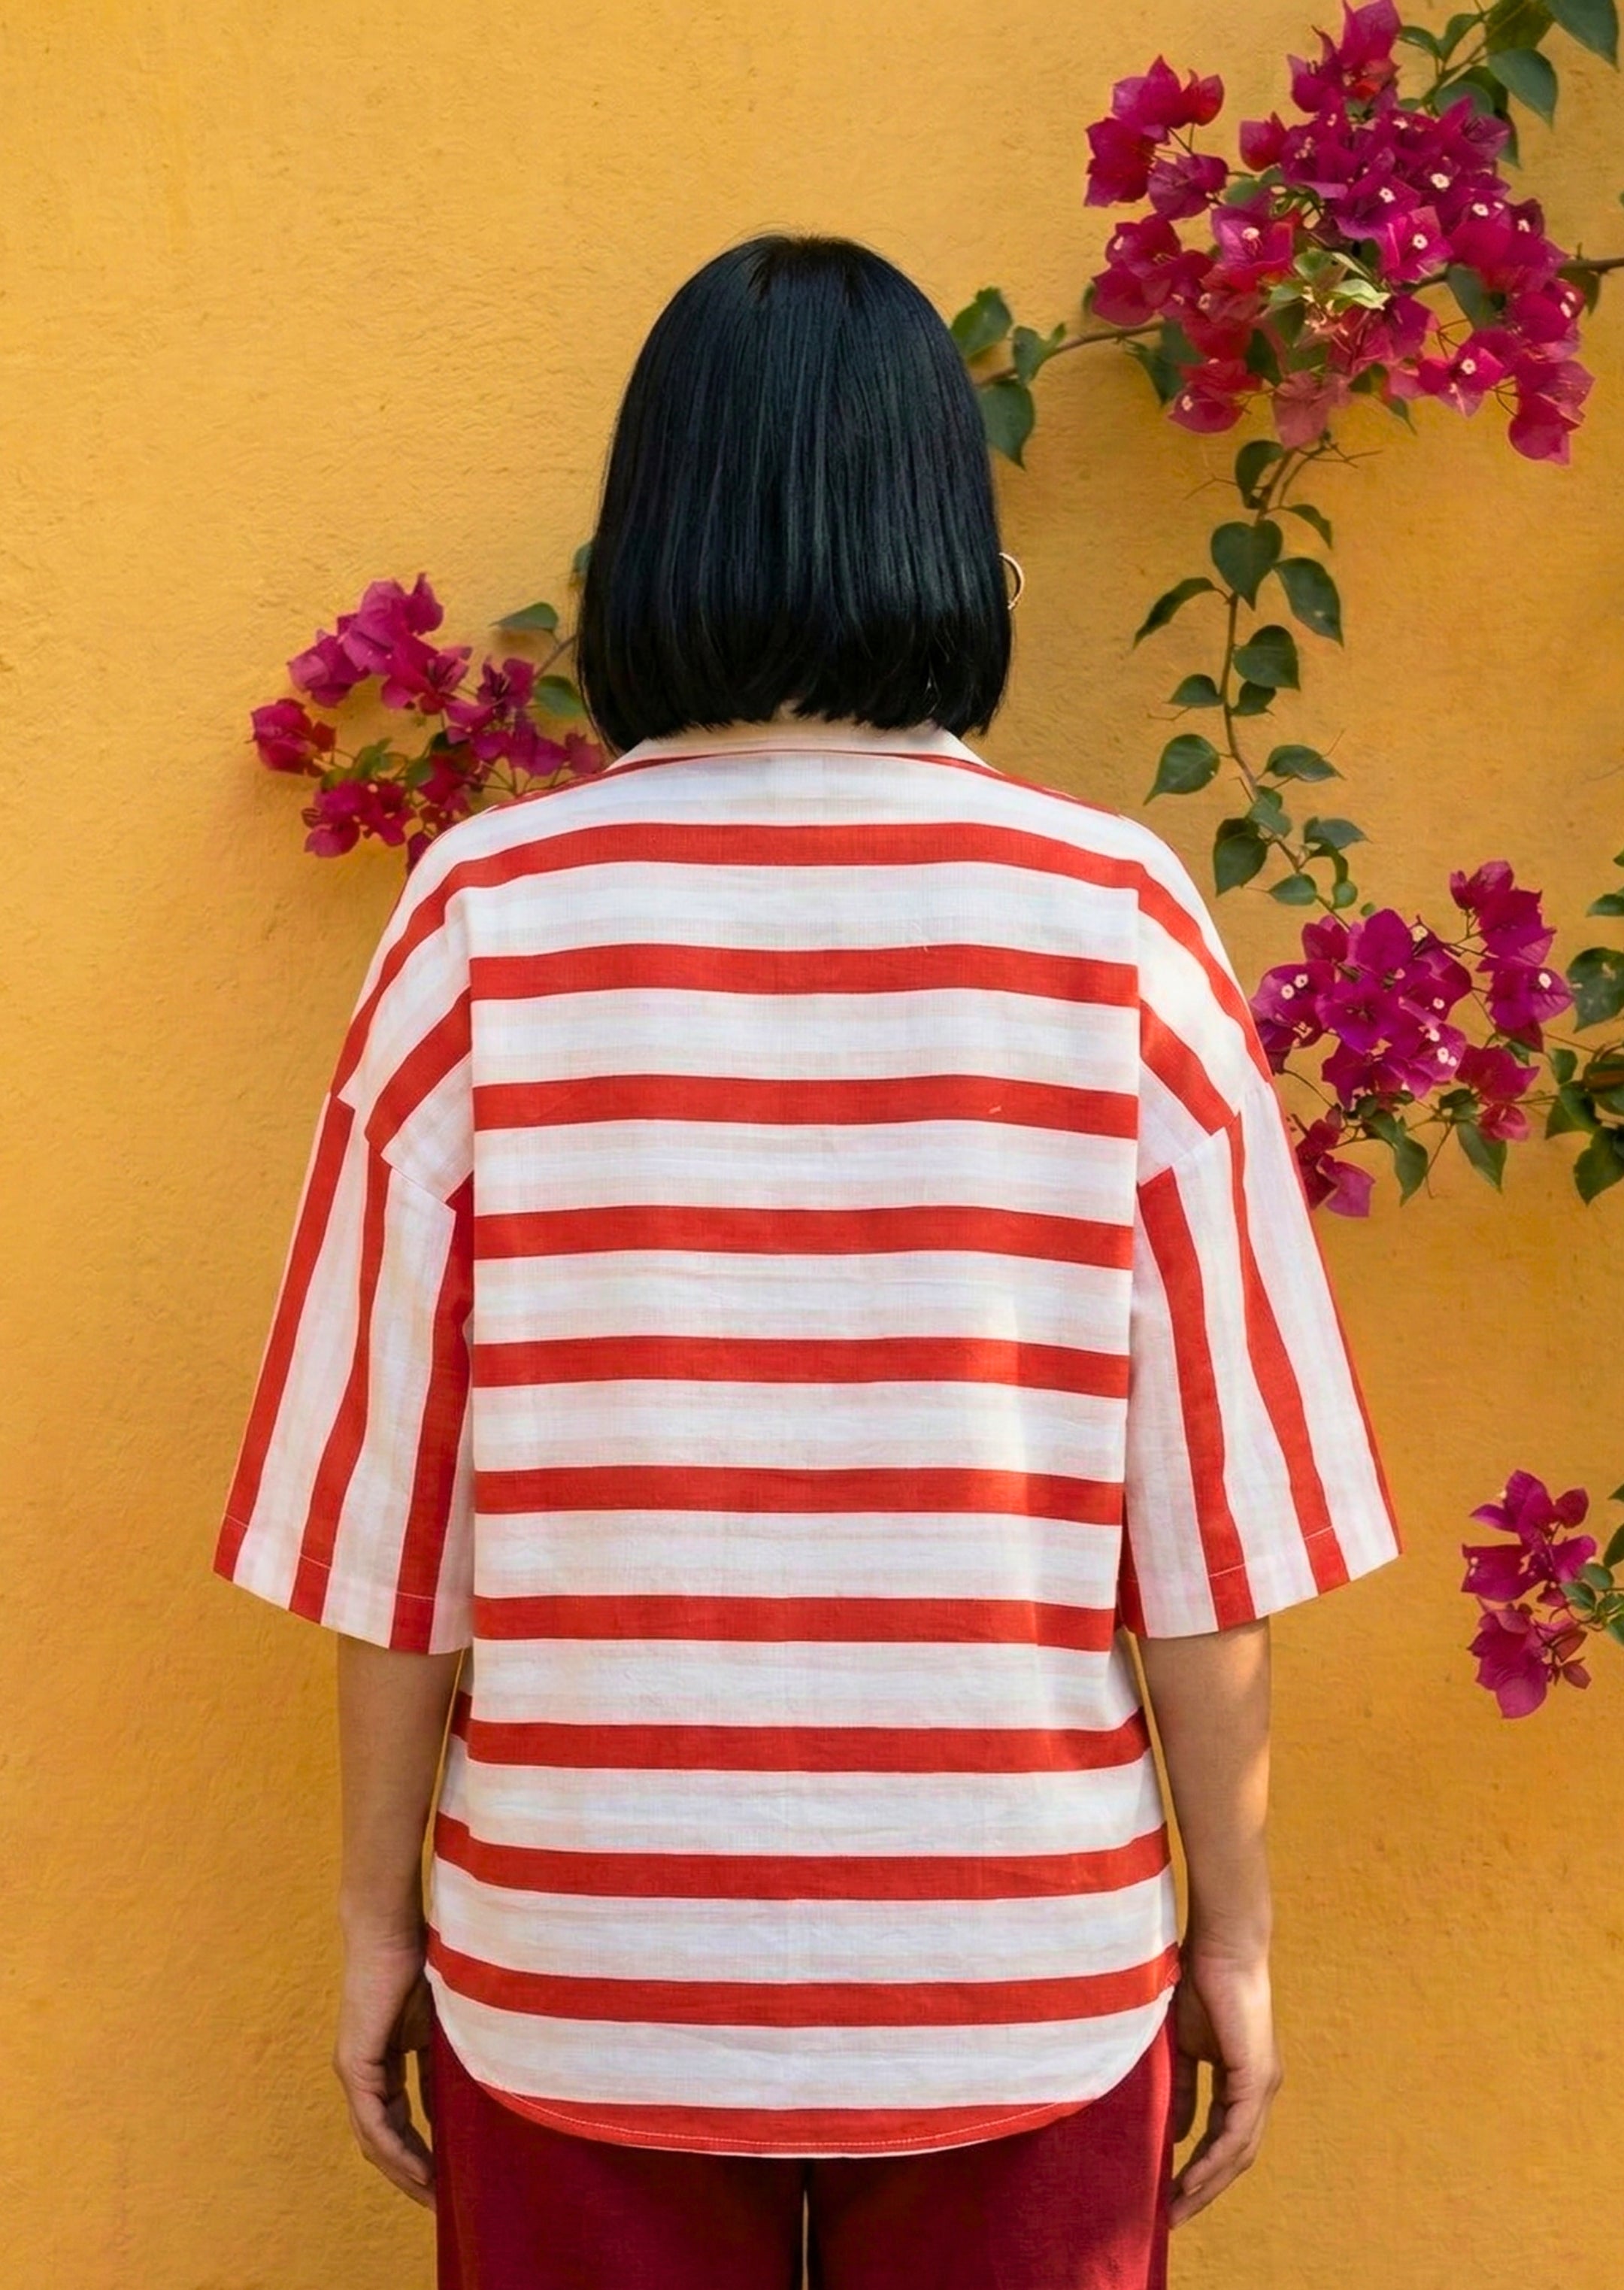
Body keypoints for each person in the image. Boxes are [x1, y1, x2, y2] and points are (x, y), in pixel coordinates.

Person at [213, 232, 1402, 2290]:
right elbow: (1212, 1540)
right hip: (1021, 1968)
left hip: (579, 1964)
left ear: (640, 549)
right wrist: (1238, 1936)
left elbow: (394, 1529)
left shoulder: (481, 919)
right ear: (951, 538)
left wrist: (374, 1922)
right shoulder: (1119, 920)